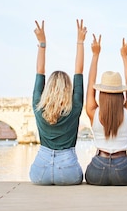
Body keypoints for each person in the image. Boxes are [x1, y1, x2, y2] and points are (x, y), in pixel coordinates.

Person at [29, 19, 87, 185]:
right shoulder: (75, 106)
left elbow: (40, 71)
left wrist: (42, 43)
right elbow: (79, 71)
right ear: (68, 89)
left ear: (48, 88)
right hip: (67, 171)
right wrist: (80, 42)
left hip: (40, 171)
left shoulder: (38, 105)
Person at [84, 35, 127, 186]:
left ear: (101, 93)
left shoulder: (93, 111)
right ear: (121, 94)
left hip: (97, 170)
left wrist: (95, 55)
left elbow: (90, 84)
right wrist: (125, 57)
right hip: (123, 170)